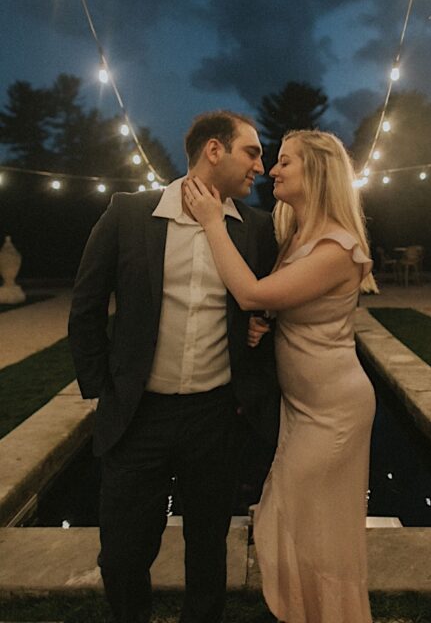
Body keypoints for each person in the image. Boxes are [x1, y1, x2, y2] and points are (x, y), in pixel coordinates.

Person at [68, 110, 279, 623]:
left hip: (215, 417)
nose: (261, 166)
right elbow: (86, 305)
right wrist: (103, 388)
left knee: (207, 552)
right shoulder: (128, 214)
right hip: (138, 416)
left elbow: (271, 306)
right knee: (121, 553)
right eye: (251, 152)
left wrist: (262, 327)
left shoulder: (255, 229)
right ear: (214, 150)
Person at [184, 129, 376, 623]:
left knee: (311, 530)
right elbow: (278, 303)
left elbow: (251, 291)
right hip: (301, 409)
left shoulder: (338, 247)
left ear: (316, 171)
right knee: (289, 519)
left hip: (334, 410)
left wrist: (212, 223)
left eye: (285, 162)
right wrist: (263, 326)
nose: (273, 170)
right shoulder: (296, 235)